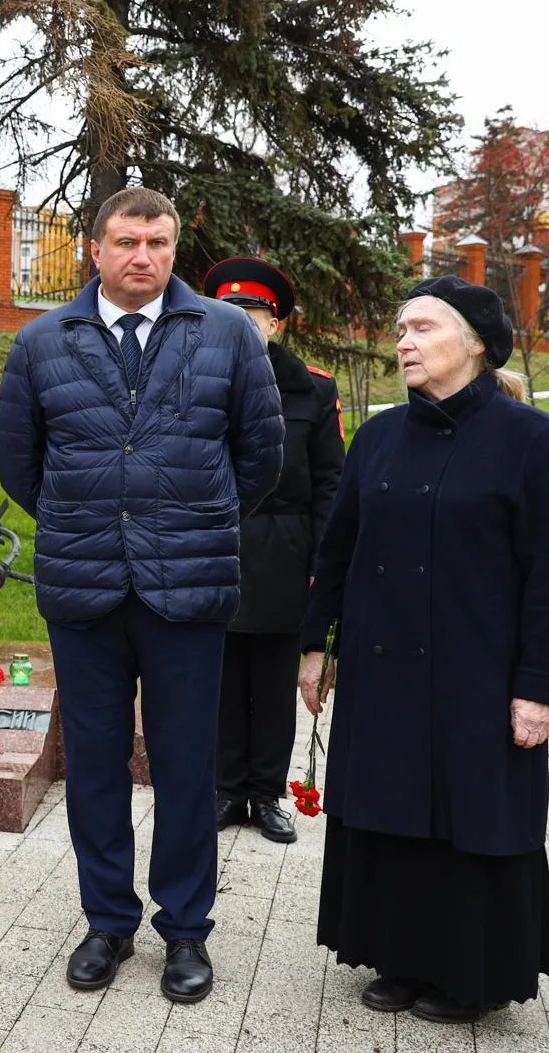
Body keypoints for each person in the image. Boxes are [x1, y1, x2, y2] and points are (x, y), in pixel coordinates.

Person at [0, 188, 283, 1004]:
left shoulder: (226, 333)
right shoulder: (42, 341)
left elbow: (259, 456)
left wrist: (194, 518)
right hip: (84, 587)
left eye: (158, 242)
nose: (142, 257)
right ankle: (108, 921)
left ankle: (186, 930)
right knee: (94, 764)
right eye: (126, 241)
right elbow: (20, 465)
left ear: (174, 250)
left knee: (186, 765)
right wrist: (87, 517)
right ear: (95, 250)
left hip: (187, 586)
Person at [302, 276, 549, 1023]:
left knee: (471, 815)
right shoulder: (379, 436)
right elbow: (338, 550)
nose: (404, 342)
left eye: (423, 328)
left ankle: (469, 975)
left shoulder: (532, 440)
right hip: (382, 668)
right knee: (389, 805)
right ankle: (396, 957)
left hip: (478, 674)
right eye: (400, 329)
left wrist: (541, 688)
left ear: (477, 344)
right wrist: (314, 646)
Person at [198, 259, 344, 845]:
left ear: (275, 323)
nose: (242, 322)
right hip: (215, 544)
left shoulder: (313, 387)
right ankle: (226, 788)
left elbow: (331, 483)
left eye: (253, 313)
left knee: (276, 681)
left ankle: (265, 793)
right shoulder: (196, 379)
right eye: (229, 312)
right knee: (221, 677)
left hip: (285, 550)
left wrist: (322, 564)